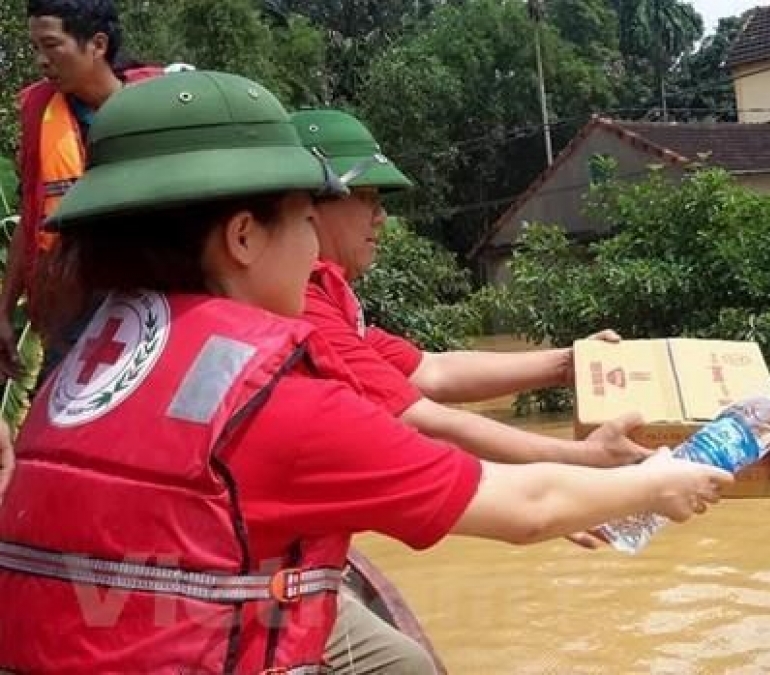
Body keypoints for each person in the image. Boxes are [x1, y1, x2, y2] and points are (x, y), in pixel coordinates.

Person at [0, 70, 732, 673]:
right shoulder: (272, 399)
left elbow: (428, 388)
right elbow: (526, 504)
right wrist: (659, 482)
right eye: (305, 218)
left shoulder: (78, 365)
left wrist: (582, 430)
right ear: (245, 236)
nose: (318, 239)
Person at [290, 108, 654, 673]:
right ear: (310, 205)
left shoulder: (332, 298)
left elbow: (431, 372)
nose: (381, 217)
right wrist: (580, 461)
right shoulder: (304, 302)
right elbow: (421, 420)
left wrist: (565, 363)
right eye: (368, 198)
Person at [0, 0, 165, 382]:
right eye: (35, 48)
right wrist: (4, 311)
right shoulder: (42, 116)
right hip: (70, 309)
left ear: (98, 44)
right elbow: (31, 215)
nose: (41, 61)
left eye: (52, 45)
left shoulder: (157, 110)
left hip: (151, 299)